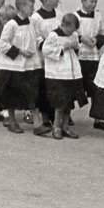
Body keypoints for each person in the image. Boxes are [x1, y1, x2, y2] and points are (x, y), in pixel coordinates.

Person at [0, 0, 42, 135]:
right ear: (21, 7)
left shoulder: (32, 22)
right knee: (11, 93)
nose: (33, 9)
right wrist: (20, 51)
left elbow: (36, 37)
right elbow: (3, 45)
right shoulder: (11, 25)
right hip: (14, 65)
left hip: (30, 64)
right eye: (31, 6)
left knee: (33, 92)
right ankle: (12, 121)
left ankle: (38, 124)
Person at [42, 12, 85, 140]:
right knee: (59, 102)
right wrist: (62, 47)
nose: (72, 33)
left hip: (72, 73)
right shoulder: (54, 35)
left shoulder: (74, 35)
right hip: (58, 73)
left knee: (69, 102)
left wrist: (76, 47)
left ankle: (65, 126)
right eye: (70, 30)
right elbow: (46, 50)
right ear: (64, 26)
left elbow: (77, 49)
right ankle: (56, 126)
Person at [75, 0, 104, 131]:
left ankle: (98, 118)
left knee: (96, 88)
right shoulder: (75, 16)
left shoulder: (99, 17)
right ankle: (68, 116)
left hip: (94, 56)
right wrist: (81, 38)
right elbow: (69, 32)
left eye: (95, 2)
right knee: (76, 85)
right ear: (83, 1)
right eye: (91, 1)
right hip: (79, 56)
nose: (93, 5)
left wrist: (96, 40)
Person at [29, 0, 62, 133]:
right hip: (44, 56)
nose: (58, 0)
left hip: (59, 54)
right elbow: (36, 37)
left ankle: (57, 114)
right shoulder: (36, 18)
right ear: (46, 0)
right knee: (44, 86)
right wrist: (48, 46)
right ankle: (45, 115)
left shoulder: (60, 15)